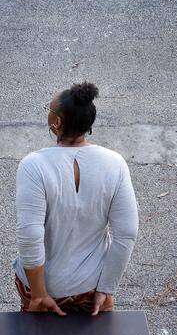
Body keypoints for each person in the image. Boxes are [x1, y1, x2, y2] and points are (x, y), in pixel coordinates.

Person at [13, 82, 139, 316]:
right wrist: (106, 288)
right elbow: (127, 233)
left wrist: (39, 294)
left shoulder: (34, 166)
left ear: (57, 123)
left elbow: (30, 235)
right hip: (90, 285)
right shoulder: (115, 164)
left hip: (42, 285)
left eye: (48, 110)